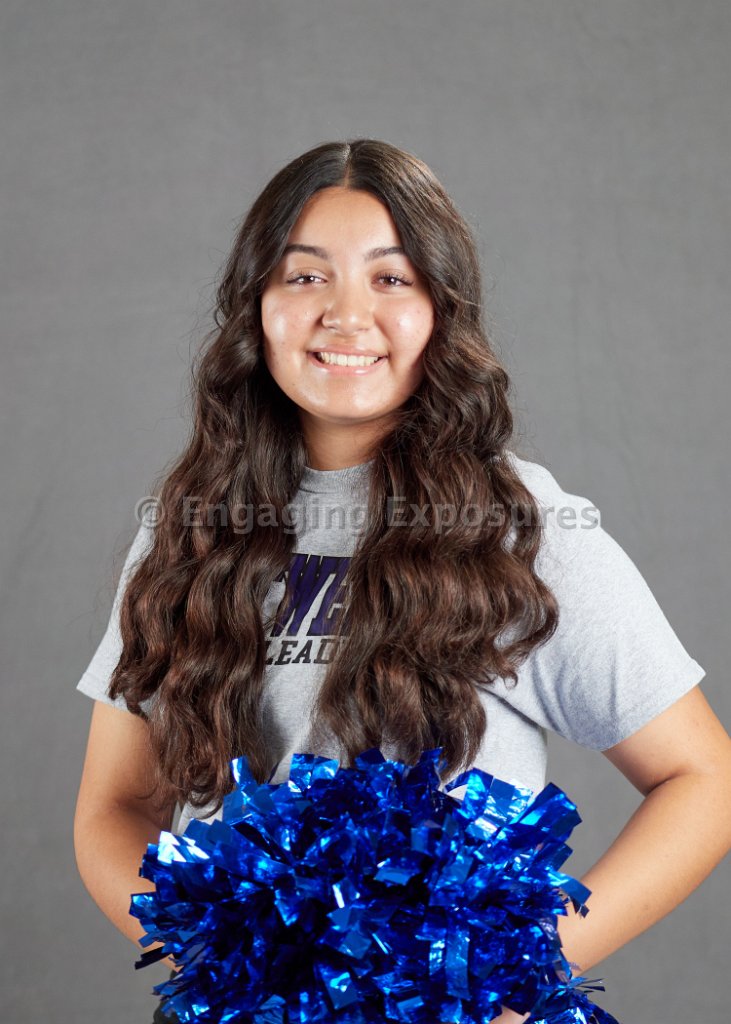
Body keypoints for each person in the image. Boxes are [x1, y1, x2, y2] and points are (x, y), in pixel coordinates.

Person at [73, 138, 731, 1024]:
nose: (346, 315)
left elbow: (702, 778)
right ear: (256, 306)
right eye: (305, 276)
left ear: (441, 311)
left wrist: (510, 975)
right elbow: (115, 806)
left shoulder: (522, 527)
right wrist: (226, 967)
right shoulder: (187, 526)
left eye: (391, 279)